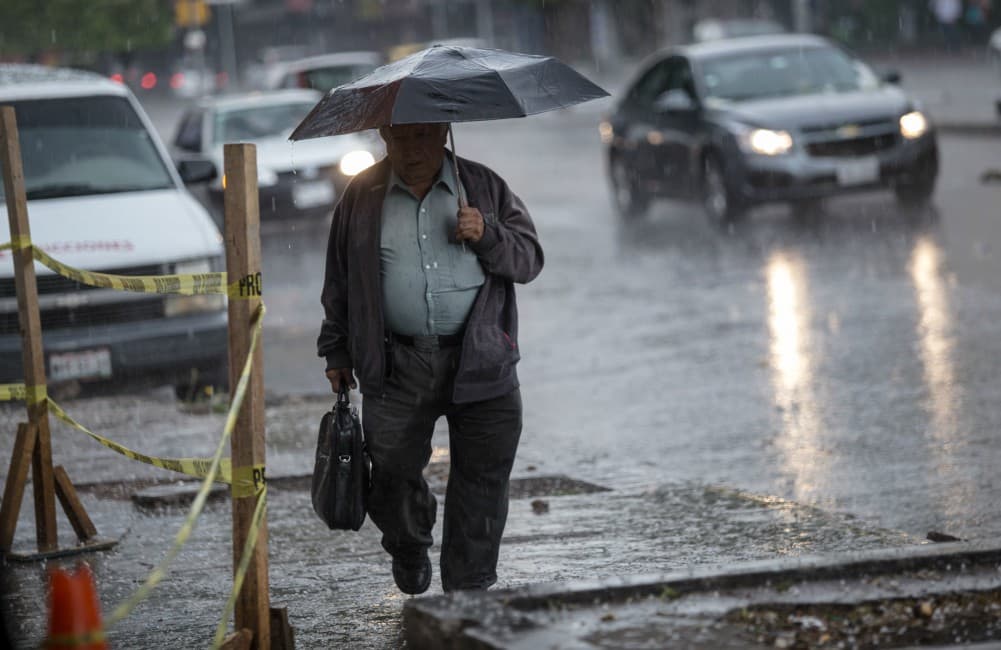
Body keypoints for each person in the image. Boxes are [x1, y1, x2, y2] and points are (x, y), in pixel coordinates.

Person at [317, 122, 544, 595]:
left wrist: (487, 234)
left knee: (482, 482)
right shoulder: (362, 195)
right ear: (384, 136)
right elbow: (339, 279)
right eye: (400, 138)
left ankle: (468, 589)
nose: (412, 150)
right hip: (395, 363)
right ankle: (409, 541)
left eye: (422, 137)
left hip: (482, 360)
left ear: (442, 132)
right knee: (391, 472)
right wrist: (336, 348)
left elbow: (529, 260)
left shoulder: (482, 185)